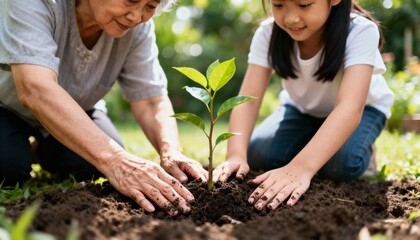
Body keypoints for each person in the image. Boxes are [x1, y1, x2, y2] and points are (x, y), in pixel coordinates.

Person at [0, 0, 208, 216]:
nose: (136, 17)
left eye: (150, 6)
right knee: (7, 166)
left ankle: (38, 152)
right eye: (131, 0)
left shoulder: (138, 30)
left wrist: (171, 151)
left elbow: (150, 100)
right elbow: (35, 89)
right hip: (5, 105)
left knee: (89, 162)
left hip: (80, 108)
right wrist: (115, 160)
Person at [213, 0, 394, 211]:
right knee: (257, 154)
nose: (290, 18)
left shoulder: (360, 31)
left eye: (304, 5)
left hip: (362, 111)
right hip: (301, 109)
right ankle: (315, 144)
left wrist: (301, 168)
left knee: (340, 165)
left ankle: (360, 150)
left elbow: (349, 107)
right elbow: (247, 101)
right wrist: (235, 155)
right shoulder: (268, 33)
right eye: (278, 5)